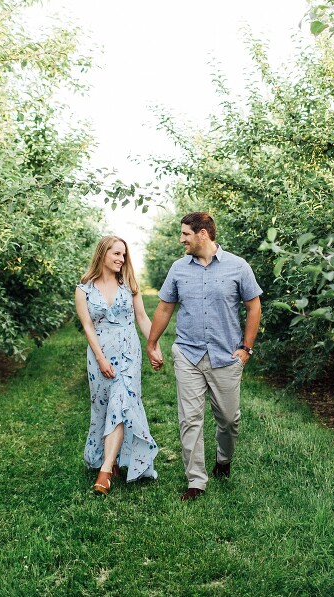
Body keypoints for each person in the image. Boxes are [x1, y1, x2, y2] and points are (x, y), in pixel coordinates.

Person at [146, 212, 262, 501]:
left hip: (226, 356)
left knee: (229, 419)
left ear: (202, 234)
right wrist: (152, 343)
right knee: (190, 419)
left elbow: (254, 307)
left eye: (185, 233)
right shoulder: (178, 269)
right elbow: (164, 308)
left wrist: (246, 349)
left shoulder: (238, 267)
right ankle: (196, 480)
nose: (181, 239)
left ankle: (223, 459)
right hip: (188, 353)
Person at [76, 236, 160, 495]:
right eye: (116, 253)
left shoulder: (129, 285)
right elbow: (88, 326)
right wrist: (100, 358)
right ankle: (108, 459)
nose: (121, 259)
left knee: (122, 403)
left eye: (124, 255)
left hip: (128, 354)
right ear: (102, 253)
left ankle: (106, 470)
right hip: (99, 353)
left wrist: (154, 344)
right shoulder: (84, 289)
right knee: (102, 406)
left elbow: (142, 318)